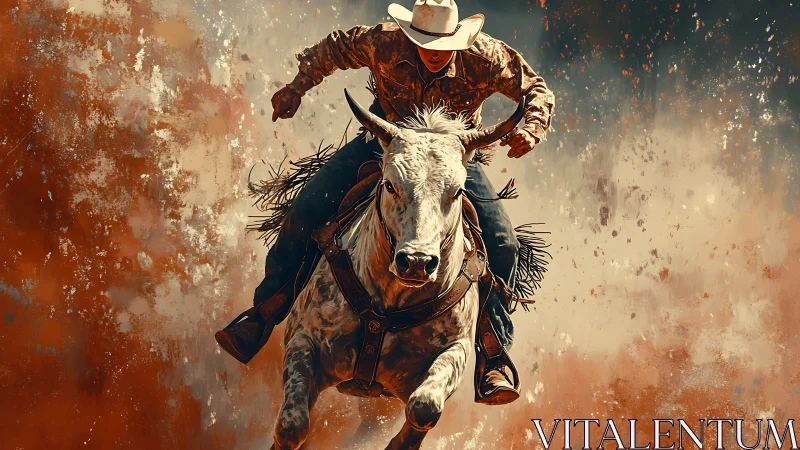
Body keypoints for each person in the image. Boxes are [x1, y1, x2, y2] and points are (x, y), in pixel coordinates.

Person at [216, 0, 555, 405]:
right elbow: (335, 48)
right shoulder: (384, 42)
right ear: (411, 34)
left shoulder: (485, 56)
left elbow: (536, 88)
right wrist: (296, 87)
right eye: (424, 41)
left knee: (503, 244)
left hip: (451, 156)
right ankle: (263, 313)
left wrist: (532, 127)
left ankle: (492, 355)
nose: (433, 51)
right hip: (382, 146)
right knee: (304, 211)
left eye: (442, 43)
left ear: (458, 39)